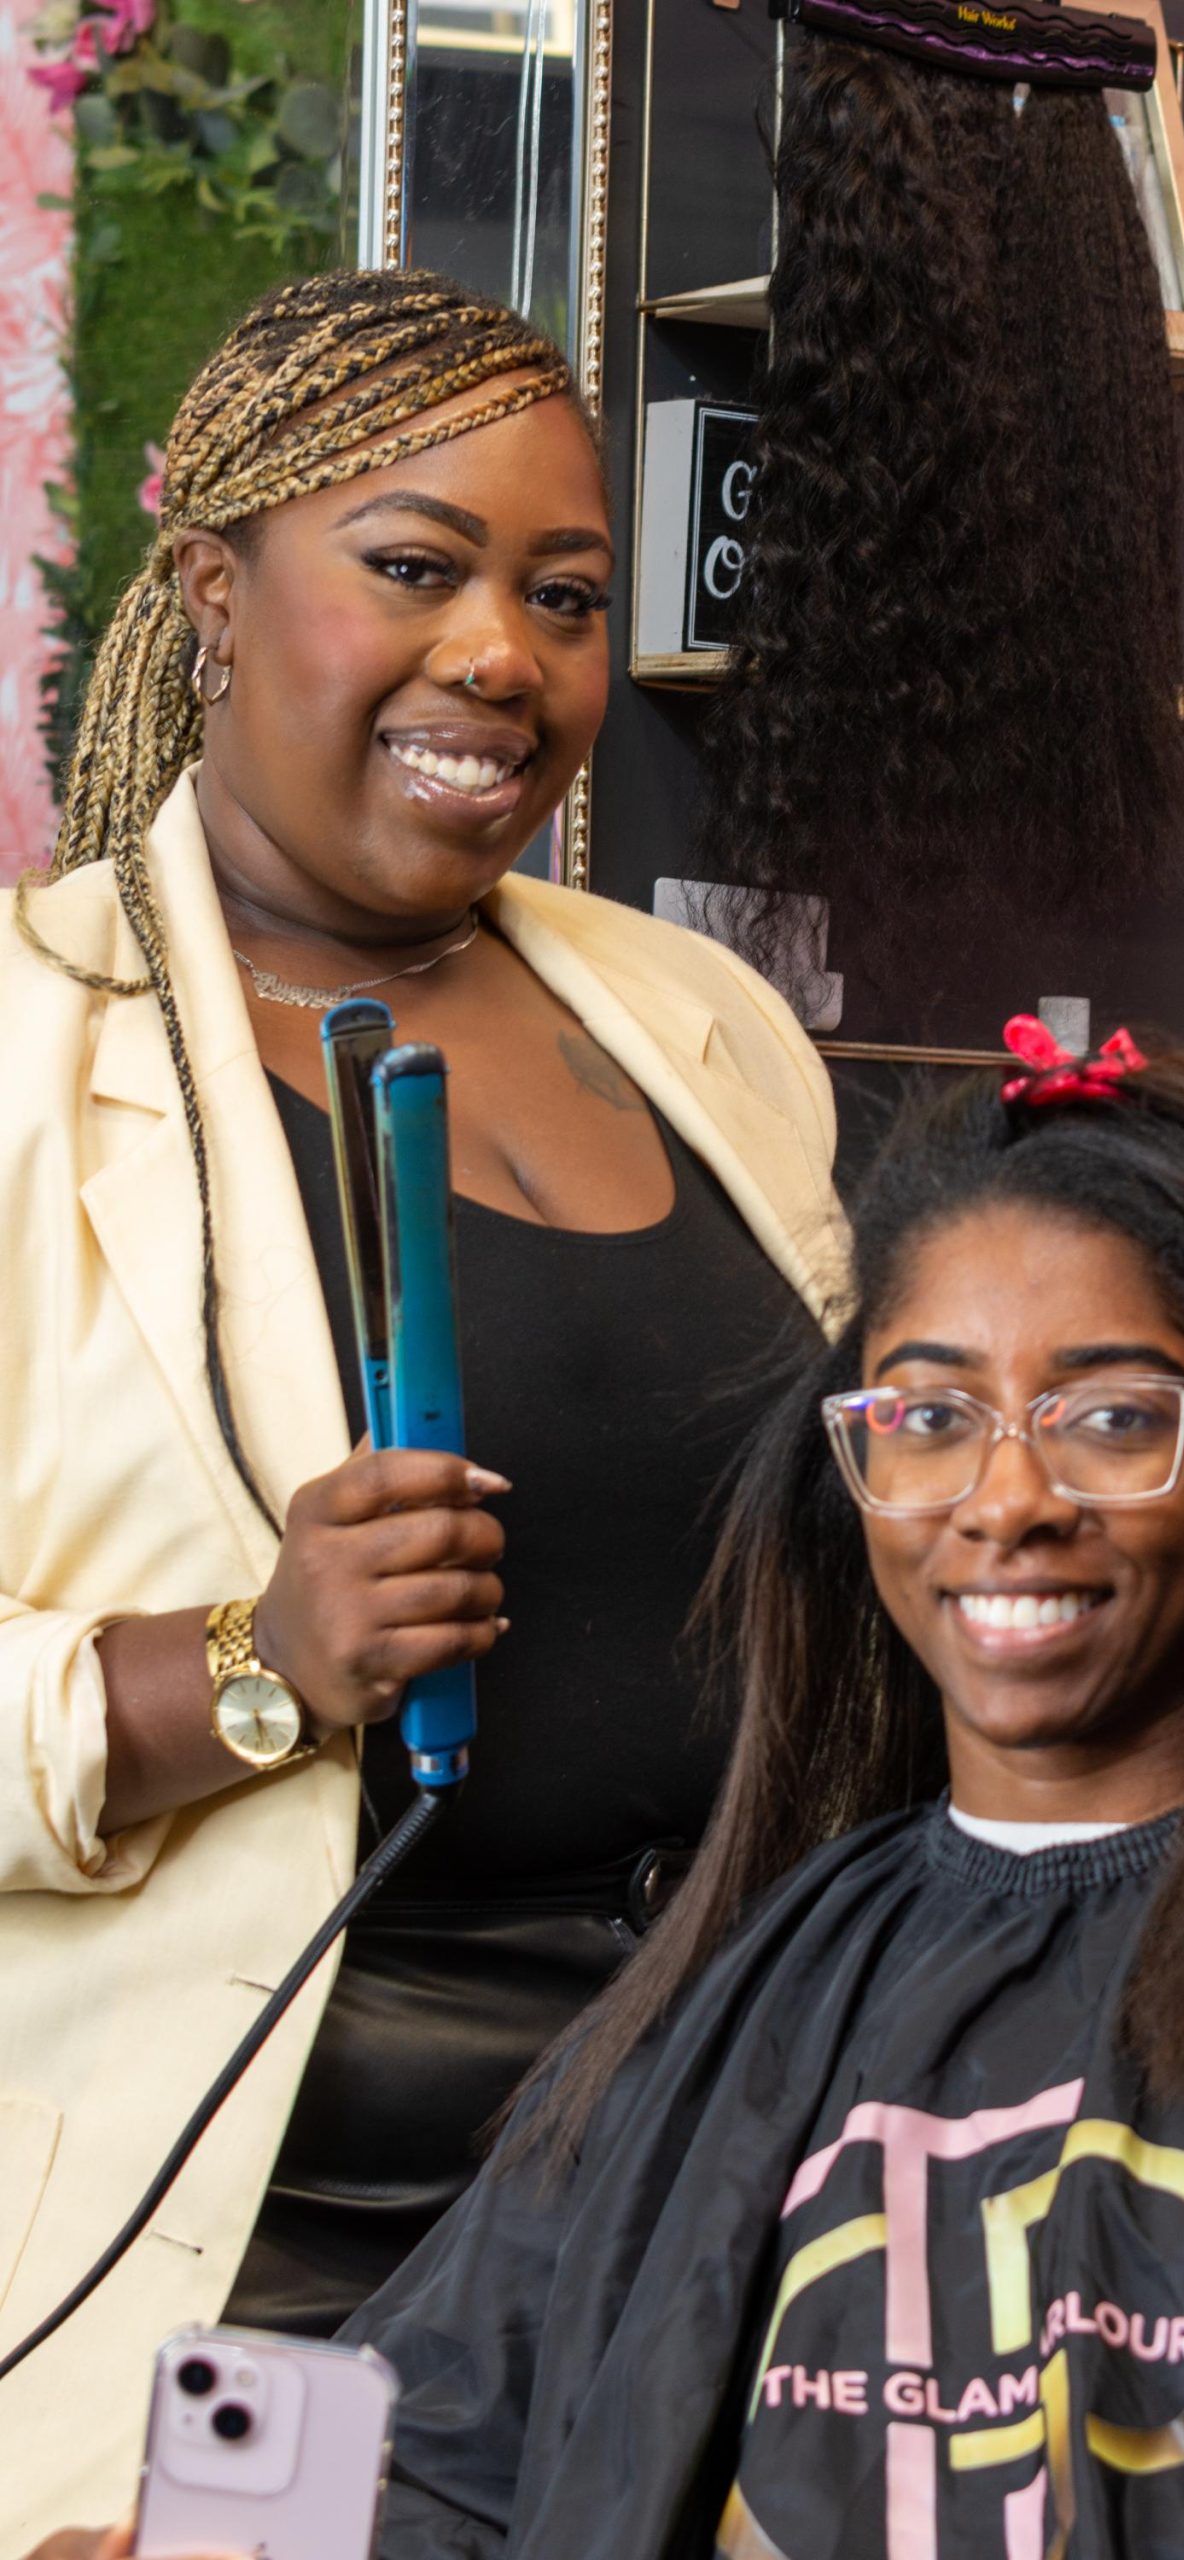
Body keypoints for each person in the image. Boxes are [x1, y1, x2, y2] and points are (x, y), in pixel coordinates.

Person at [349, 1025, 1184, 2553]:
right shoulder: (774, 1969)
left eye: (1113, 1417)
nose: (1005, 1503)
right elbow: (431, 2457)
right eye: (930, 1418)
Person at [0, 269, 843, 2542]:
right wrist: (244, 1666)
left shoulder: (709, 1027)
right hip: (275, 2221)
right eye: (413, 566)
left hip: (715, 2167)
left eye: (561, 597)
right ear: (212, 589)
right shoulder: (26, 1057)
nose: (499, 655)